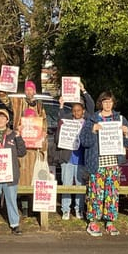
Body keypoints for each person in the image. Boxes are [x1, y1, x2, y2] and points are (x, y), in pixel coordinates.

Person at [79, 91, 128, 236]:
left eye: (110, 101)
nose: (108, 104)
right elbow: (84, 141)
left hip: (113, 163)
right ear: (100, 103)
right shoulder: (92, 119)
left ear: (113, 103)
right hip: (96, 163)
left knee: (112, 194)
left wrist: (126, 133)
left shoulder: (120, 119)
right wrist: (92, 130)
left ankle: (109, 222)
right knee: (95, 194)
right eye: (105, 101)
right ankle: (93, 222)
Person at [55, 84, 95, 220]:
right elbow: (60, 119)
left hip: (82, 158)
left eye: (79, 110)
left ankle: (79, 209)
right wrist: (61, 105)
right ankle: (65, 209)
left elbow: (91, 105)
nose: (76, 113)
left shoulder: (88, 121)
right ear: (71, 111)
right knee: (66, 184)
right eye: (74, 110)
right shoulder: (67, 121)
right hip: (68, 158)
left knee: (80, 185)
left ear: (83, 111)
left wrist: (84, 90)